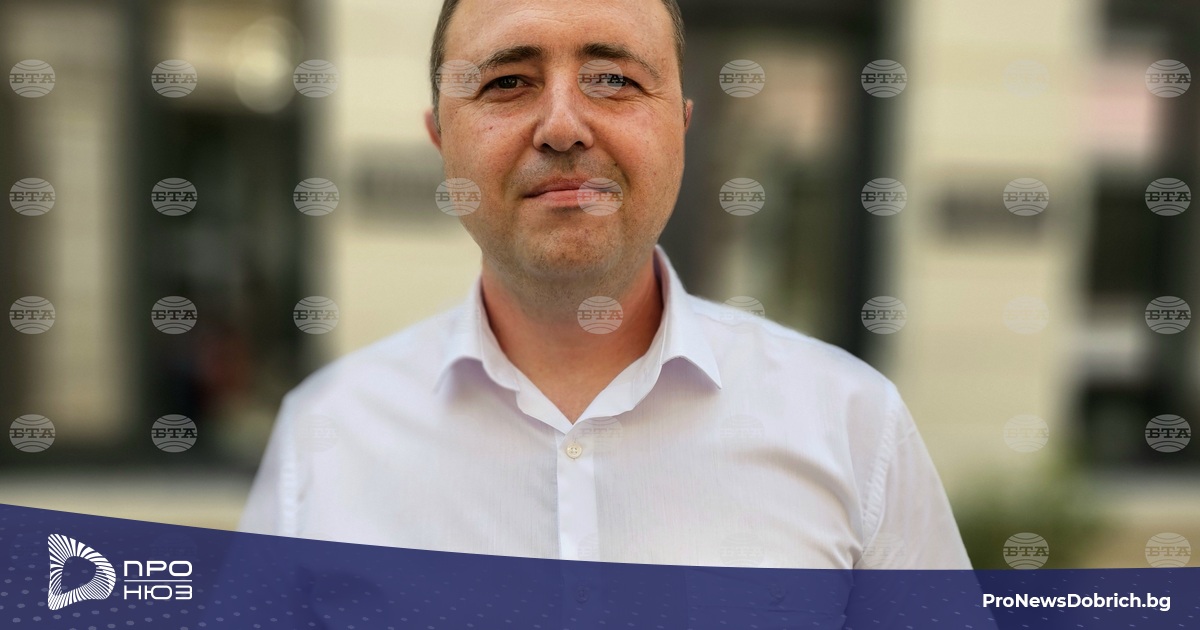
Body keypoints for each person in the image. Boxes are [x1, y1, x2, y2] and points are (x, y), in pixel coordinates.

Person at [239, 0, 971, 570]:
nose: (562, 127)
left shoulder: (854, 425)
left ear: (681, 128)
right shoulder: (324, 435)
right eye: (507, 83)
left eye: (614, 80)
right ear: (441, 141)